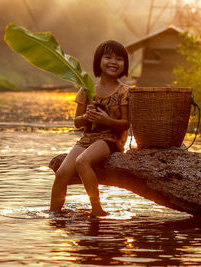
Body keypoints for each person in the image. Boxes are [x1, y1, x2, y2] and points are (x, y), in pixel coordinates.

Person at [50, 40, 130, 216]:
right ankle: (54, 214)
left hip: (110, 140)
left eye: (119, 59)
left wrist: (107, 120)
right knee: (62, 172)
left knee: (82, 162)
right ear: (98, 62)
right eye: (108, 57)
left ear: (124, 64)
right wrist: (86, 117)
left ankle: (97, 209)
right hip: (87, 139)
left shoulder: (124, 92)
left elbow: (126, 124)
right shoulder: (87, 89)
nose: (113, 62)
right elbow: (77, 123)